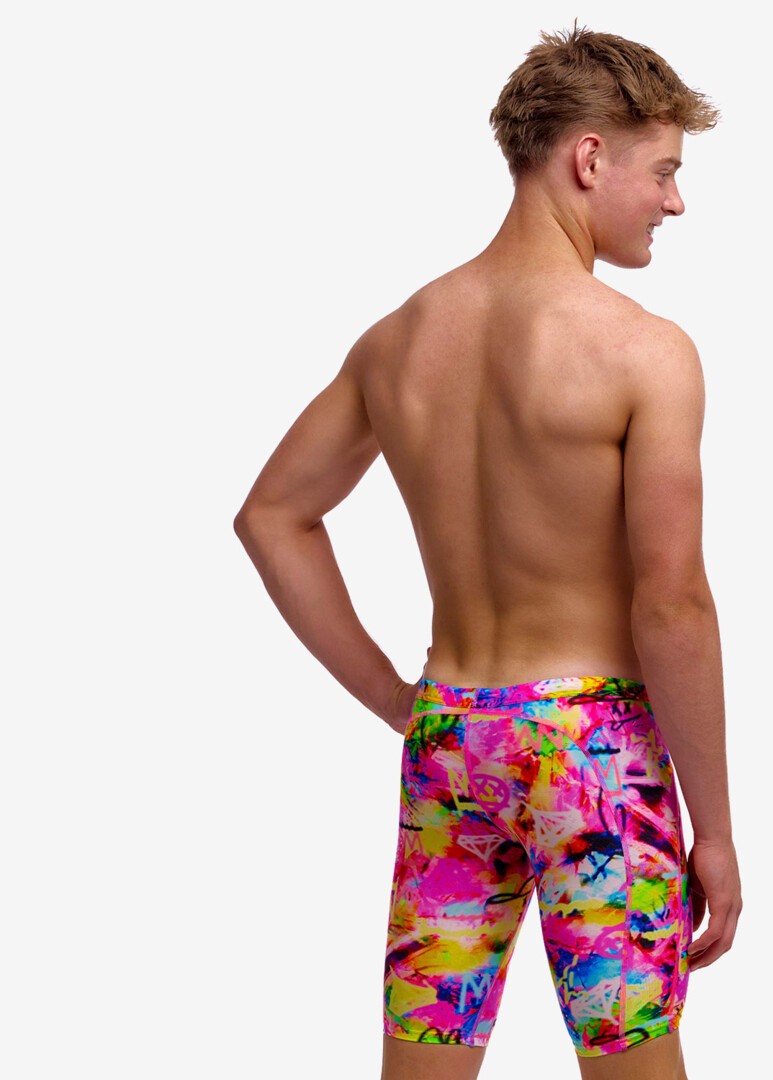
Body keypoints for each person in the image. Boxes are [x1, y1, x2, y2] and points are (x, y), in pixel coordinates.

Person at [234, 22, 741, 1080]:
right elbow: (673, 604)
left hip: (452, 739)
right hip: (593, 753)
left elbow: (273, 516)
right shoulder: (645, 352)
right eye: (664, 171)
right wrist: (717, 831)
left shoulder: (399, 340)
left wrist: (398, 699)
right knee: (634, 1063)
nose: (676, 203)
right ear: (589, 158)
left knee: (426, 1057)